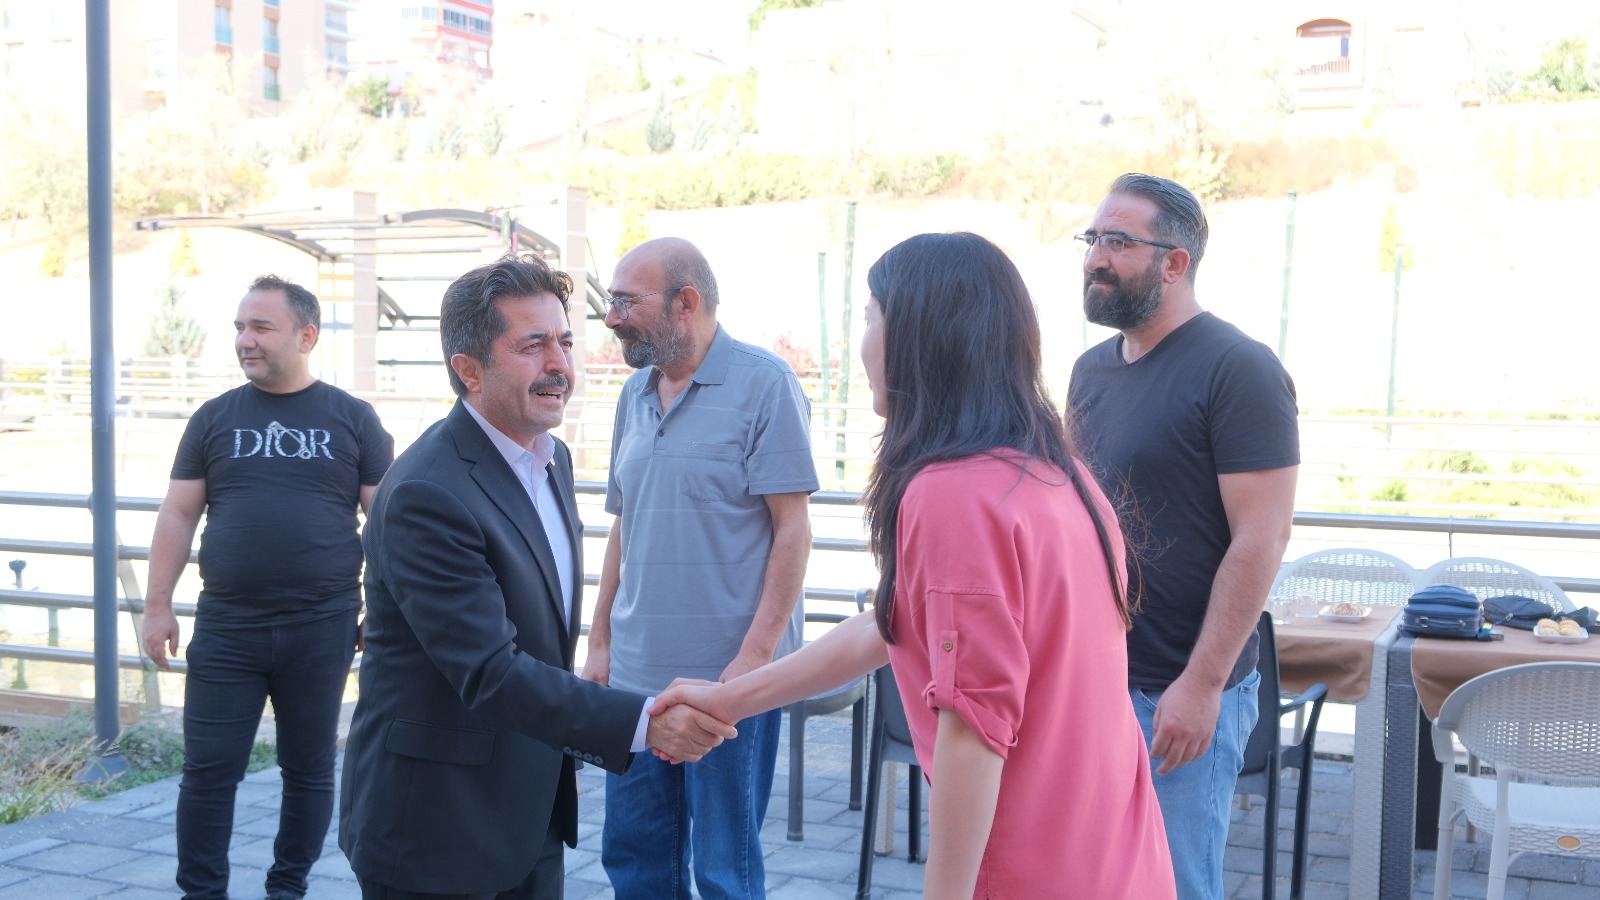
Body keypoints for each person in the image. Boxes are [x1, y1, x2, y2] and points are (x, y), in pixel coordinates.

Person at [654, 232, 1176, 900]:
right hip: (1123, 858)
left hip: (1032, 871)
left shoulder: (953, 493)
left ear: (920, 335)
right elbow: (892, 623)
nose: (863, 343)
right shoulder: (1057, 473)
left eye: (870, 316)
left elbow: (974, 728)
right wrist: (730, 700)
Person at [338, 253, 735, 900]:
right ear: (469, 370)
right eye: (532, 346)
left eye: (565, 342)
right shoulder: (425, 493)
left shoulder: (552, 461)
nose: (560, 365)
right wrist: (642, 722)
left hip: (531, 818)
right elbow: (491, 671)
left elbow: (542, 639)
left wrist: (561, 756)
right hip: (435, 833)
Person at [1067, 173, 1300, 900]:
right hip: (1097, 679)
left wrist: (1200, 686)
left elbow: (1262, 537)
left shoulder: (1239, 369)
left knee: (1175, 885)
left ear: (1175, 262)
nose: (1095, 258)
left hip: (1180, 688)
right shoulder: (1089, 373)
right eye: (1092, 239)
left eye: (1118, 242)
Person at [140, 275, 395, 900]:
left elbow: (388, 524)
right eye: (239, 327)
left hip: (323, 625)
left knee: (309, 770)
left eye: (260, 327)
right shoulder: (214, 418)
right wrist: (157, 605)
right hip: (228, 626)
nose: (244, 340)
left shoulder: (353, 419)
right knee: (207, 771)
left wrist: (384, 610)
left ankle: (287, 889)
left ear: (306, 336)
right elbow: (178, 514)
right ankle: (203, 893)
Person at [580, 237, 818, 900]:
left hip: (728, 684)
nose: (612, 317)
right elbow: (624, 526)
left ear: (685, 302)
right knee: (636, 867)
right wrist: (599, 645)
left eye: (626, 301)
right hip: (634, 684)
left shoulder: (765, 383)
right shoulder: (633, 394)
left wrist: (755, 660)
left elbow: (793, 530)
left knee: (724, 874)